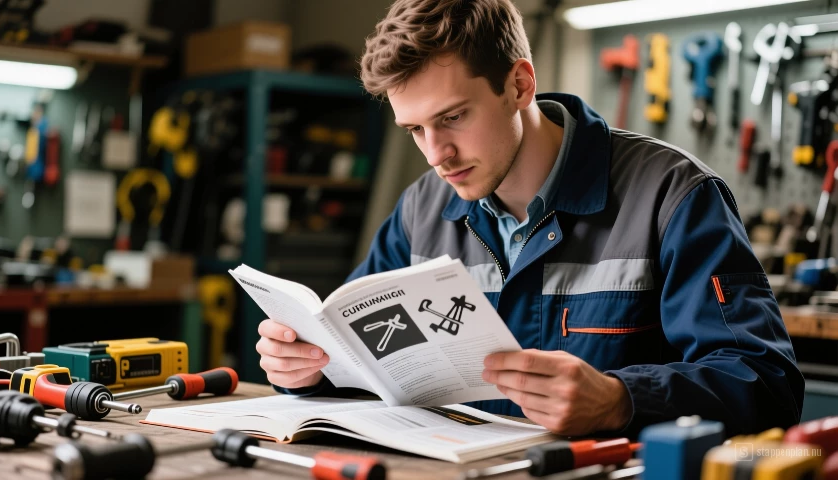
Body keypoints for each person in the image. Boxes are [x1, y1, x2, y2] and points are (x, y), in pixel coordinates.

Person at [256, 0, 804, 437]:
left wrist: (620, 399)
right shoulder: (420, 210)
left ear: (520, 85)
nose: (436, 154)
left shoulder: (672, 196)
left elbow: (766, 383)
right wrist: (308, 369)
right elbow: (361, 362)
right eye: (415, 129)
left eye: (453, 117)